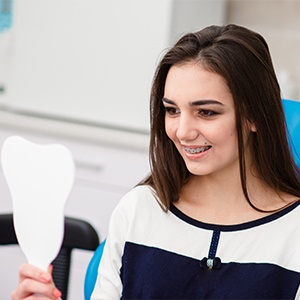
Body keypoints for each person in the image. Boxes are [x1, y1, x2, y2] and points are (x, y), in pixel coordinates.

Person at [12, 24, 300, 300]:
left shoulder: (293, 233)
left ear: (254, 116)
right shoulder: (139, 209)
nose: (182, 131)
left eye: (207, 113)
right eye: (172, 110)